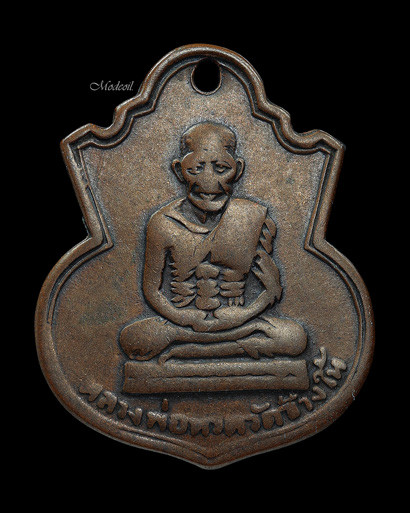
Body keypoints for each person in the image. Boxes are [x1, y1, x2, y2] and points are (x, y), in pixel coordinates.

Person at [119, 122, 307, 363]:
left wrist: (243, 316)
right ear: (179, 170)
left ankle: (189, 351)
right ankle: (230, 350)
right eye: (196, 169)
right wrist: (183, 318)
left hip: (239, 323)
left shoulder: (249, 216)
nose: (209, 180)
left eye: (221, 169)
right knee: (133, 339)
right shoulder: (162, 223)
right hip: (182, 325)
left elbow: (271, 289)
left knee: (294, 337)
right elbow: (152, 291)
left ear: (238, 169)